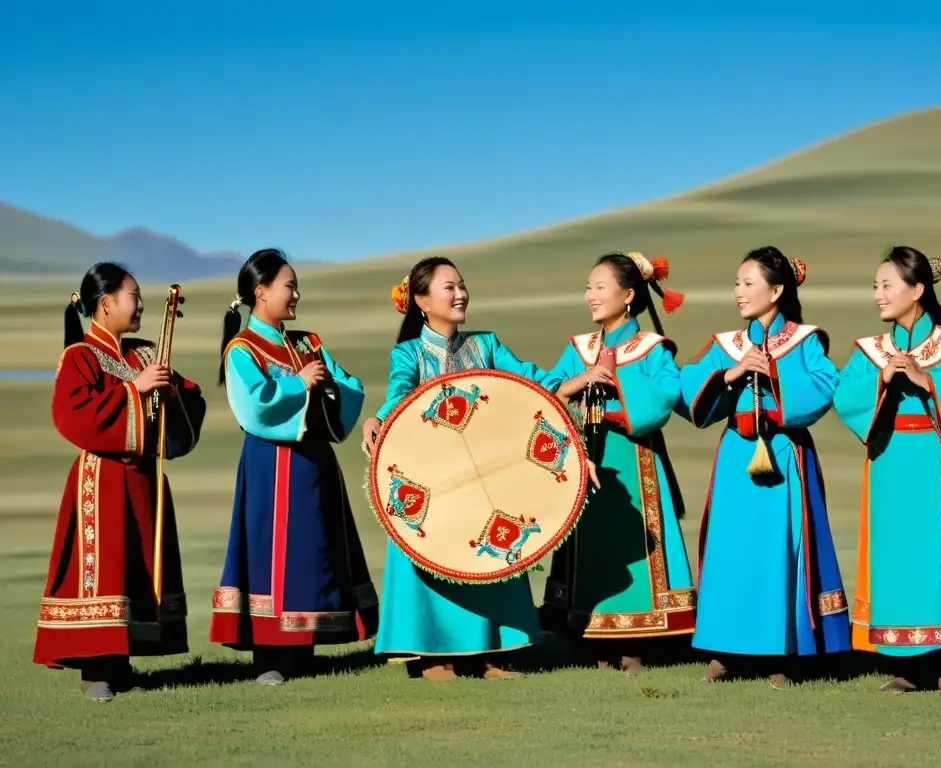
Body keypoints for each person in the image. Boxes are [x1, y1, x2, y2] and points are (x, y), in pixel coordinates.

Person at [361, 256, 591, 681]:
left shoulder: (485, 345)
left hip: (483, 475)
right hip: (431, 478)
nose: (460, 293)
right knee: (434, 552)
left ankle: (486, 653)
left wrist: (581, 379)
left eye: (462, 285)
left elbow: (530, 380)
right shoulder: (409, 352)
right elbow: (399, 394)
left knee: (485, 551)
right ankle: (433, 657)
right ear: (421, 301)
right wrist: (378, 417)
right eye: (449, 287)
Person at [832, 246, 941, 696]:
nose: (878, 295)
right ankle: (909, 663)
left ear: (917, 290)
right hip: (890, 460)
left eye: (887, 285)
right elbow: (845, 393)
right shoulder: (872, 350)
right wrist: (881, 380)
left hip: (939, 460)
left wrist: (926, 379)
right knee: (897, 558)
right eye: (875, 286)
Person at [33, 263, 206, 702]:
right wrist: (136, 391)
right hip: (101, 481)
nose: (142, 303)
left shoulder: (146, 352)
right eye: (133, 294)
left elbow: (189, 401)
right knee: (103, 572)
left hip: (144, 480)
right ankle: (96, 670)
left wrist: (172, 396)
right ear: (105, 302)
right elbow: (72, 415)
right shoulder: (79, 356)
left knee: (137, 570)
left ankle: (123, 661)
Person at [678, 246, 850, 687]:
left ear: (776, 290)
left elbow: (826, 383)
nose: (738, 291)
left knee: (781, 550)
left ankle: (783, 651)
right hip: (738, 454)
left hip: (782, 454)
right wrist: (730, 375)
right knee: (730, 550)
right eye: (736, 283)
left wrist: (774, 374)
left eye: (747, 283)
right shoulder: (727, 345)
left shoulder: (806, 339)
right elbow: (689, 385)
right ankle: (725, 650)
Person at [209, 249, 379, 685]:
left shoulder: (307, 342)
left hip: (314, 464)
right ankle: (268, 655)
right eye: (289, 285)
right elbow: (252, 402)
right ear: (261, 292)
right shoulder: (242, 349)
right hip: (272, 465)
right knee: (271, 552)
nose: (297, 294)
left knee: (313, 551)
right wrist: (298, 384)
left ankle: (303, 648)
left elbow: (349, 384)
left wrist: (328, 389)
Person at [539, 252, 692, 674]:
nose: (590, 295)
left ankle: (636, 640)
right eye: (588, 287)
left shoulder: (651, 348)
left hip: (633, 454)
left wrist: (618, 395)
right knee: (592, 544)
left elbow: (666, 394)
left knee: (634, 542)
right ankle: (591, 633)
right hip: (586, 457)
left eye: (599, 287)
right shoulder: (580, 348)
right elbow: (550, 386)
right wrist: (577, 381)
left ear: (628, 295)